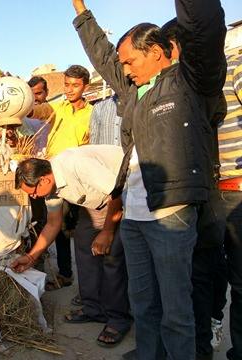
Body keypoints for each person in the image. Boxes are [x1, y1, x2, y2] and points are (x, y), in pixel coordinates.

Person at [70, 0, 226, 359]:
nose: (124, 69)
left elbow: (203, 24)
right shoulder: (132, 89)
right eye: (123, 63)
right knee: (143, 303)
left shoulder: (190, 80)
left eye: (130, 62)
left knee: (176, 309)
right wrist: (80, 8)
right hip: (135, 215)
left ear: (157, 52)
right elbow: (101, 53)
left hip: (171, 214)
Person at [12, 145, 131, 346]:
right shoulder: (50, 186)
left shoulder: (77, 165)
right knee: (84, 247)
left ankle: (118, 319)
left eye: (32, 192)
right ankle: (94, 309)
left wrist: (107, 231)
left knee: (112, 258)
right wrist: (31, 257)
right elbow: (53, 223)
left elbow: (117, 192)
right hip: (95, 203)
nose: (33, 197)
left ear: (45, 180)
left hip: (123, 197)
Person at [160, 18, 228, 360]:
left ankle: (207, 337)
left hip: (216, 190)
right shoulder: (169, 87)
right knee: (191, 276)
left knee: (207, 272)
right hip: (193, 191)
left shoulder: (206, 81)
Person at [29, 65, 94, 291]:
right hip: (54, 177)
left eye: (75, 85)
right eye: (66, 84)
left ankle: (78, 278)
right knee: (56, 225)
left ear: (85, 86)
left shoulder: (92, 114)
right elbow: (37, 111)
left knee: (75, 229)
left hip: (78, 178)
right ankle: (64, 273)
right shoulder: (58, 107)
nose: (69, 89)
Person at [218, 51, 242, 360]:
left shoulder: (236, 66)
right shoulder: (192, 79)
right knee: (207, 275)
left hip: (237, 189)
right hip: (208, 192)